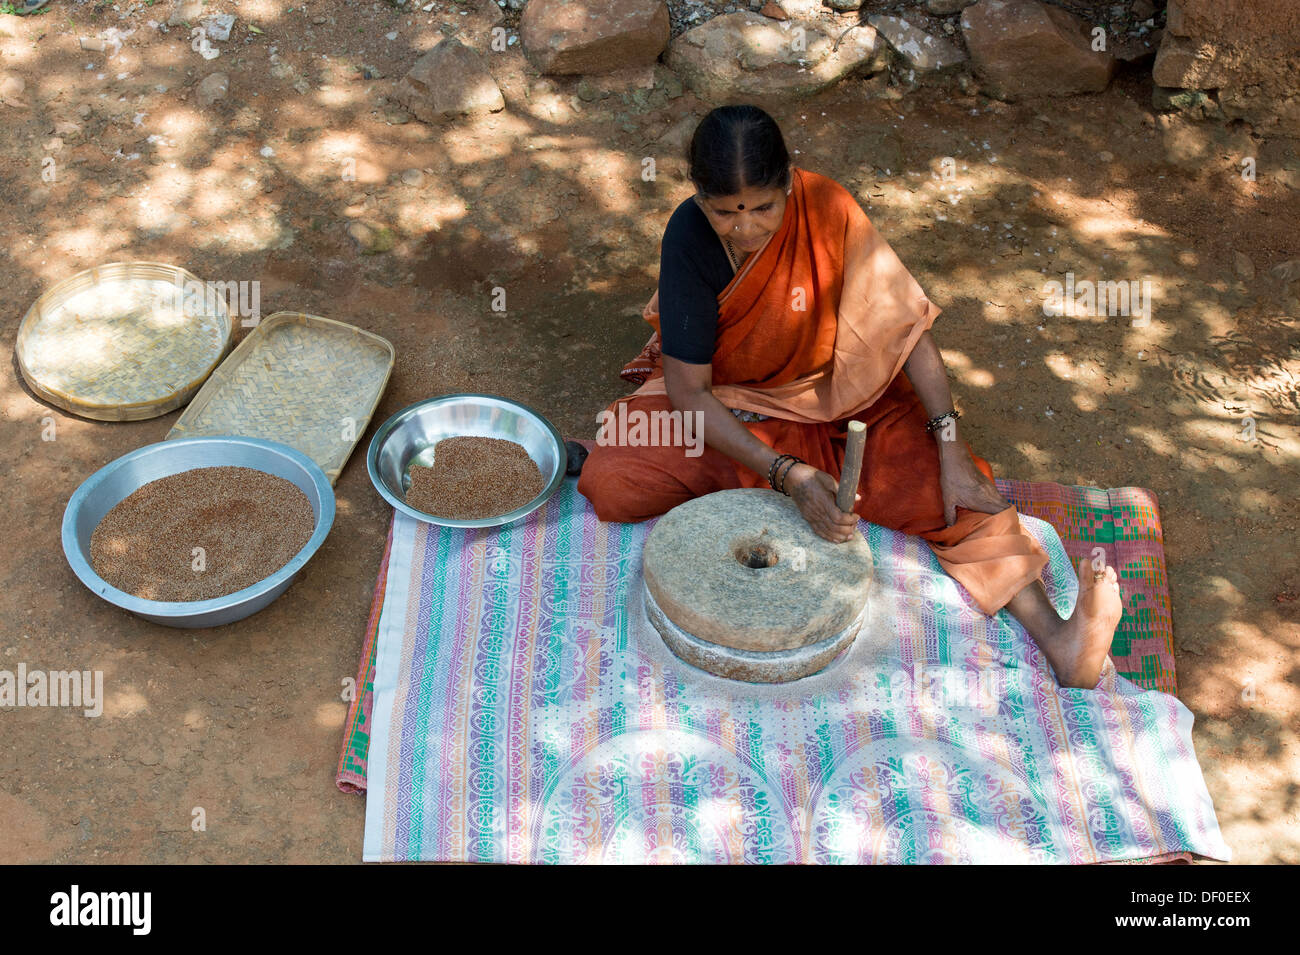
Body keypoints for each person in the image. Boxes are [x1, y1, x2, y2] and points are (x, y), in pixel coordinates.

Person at [577, 104, 1122, 690]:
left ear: (789, 182)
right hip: (734, 407)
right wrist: (788, 475)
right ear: (698, 199)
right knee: (613, 476)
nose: (747, 228)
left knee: (951, 492)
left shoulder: (829, 210)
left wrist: (951, 445)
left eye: (763, 207)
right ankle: (730, 470)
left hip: (843, 399)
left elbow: (906, 331)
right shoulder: (687, 238)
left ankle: (1061, 639)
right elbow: (689, 392)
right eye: (725, 213)